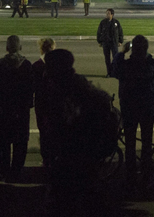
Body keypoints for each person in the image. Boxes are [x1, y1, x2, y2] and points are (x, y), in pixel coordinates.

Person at [42, 49, 115, 216]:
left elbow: (64, 125)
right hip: (79, 155)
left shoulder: (68, 89)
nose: (47, 71)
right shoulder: (75, 85)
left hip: (75, 155)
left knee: (71, 199)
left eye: (50, 66)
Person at [110, 35, 154, 182]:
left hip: (129, 108)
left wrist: (121, 52)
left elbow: (114, 69)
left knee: (130, 143)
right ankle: (146, 172)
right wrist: (146, 55)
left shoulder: (126, 65)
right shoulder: (149, 65)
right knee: (147, 141)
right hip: (146, 107)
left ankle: (131, 173)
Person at [0, 35, 33, 182]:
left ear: (7, 48)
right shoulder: (26, 65)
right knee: (20, 142)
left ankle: (5, 171)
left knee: (4, 142)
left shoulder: (0, 64)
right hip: (21, 109)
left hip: (4, 109)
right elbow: (30, 88)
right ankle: (17, 171)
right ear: (20, 47)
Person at [32, 38, 56, 168]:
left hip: (41, 103)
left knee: (44, 132)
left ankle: (46, 159)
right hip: (54, 102)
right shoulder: (57, 65)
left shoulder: (36, 65)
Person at [96, 8, 123, 77]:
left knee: (115, 58)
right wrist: (99, 41)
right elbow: (99, 32)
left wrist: (120, 41)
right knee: (107, 59)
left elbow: (120, 32)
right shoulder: (103, 22)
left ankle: (115, 72)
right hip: (106, 43)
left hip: (114, 43)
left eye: (108, 13)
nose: (107, 15)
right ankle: (109, 73)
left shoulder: (116, 22)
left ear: (112, 14)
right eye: (106, 13)